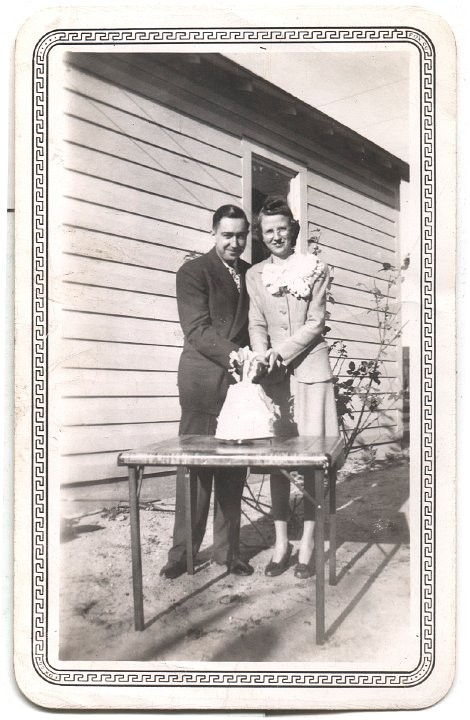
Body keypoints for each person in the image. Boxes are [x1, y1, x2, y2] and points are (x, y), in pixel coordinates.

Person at [245, 197, 340, 579]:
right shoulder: (255, 275)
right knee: (280, 464)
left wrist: (279, 352)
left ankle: (309, 545)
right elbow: (256, 323)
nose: (275, 236)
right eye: (268, 230)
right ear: (261, 235)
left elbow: (315, 323)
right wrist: (262, 355)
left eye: (281, 228)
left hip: (312, 374)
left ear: (293, 228)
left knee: (313, 460)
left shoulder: (316, 268)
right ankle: (282, 542)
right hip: (275, 379)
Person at [160, 204, 255, 579]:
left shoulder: (252, 275)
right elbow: (197, 329)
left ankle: (228, 553)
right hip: (201, 381)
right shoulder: (193, 272)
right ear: (214, 233)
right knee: (195, 470)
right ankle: (182, 553)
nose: (235, 242)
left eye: (241, 235)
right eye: (227, 235)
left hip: (240, 386)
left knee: (233, 471)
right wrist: (238, 354)